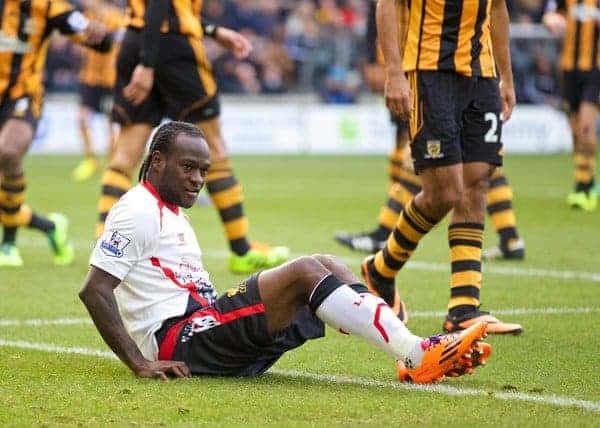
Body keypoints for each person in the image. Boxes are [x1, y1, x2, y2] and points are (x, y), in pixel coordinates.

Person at [79, 121, 492, 384]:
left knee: (325, 265)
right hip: (178, 342)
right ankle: (419, 353)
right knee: (305, 273)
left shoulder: (171, 213)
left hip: (201, 327)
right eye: (188, 167)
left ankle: (409, 352)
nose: (198, 179)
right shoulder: (136, 210)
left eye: (204, 171)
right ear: (156, 161)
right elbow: (94, 289)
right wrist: (139, 363)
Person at [362, 0, 524, 334]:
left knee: (477, 184)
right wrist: (394, 71)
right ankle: (382, 268)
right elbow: (387, 5)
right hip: (429, 74)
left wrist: (506, 76)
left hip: (481, 75)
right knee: (444, 193)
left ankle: (464, 308)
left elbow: (497, 10)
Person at [94, 0, 289, 274]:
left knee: (124, 156)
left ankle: (105, 245)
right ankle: (241, 250)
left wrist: (212, 31)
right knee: (215, 151)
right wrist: (149, 65)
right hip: (173, 48)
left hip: (134, 40)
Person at [334, 0, 525, 262]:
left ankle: (385, 236)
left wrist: (506, 77)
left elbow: (498, 9)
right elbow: (382, 10)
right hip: (418, 73)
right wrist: (388, 68)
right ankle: (508, 237)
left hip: (454, 75)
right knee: (450, 171)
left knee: (472, 171)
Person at [0, 0, 112, 267]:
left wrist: (99, 35)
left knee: (8, 151)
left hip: (22, 95)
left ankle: (9, 244)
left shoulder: (47, 6)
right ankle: (49, 226)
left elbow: (100, 41)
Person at [543, 0, 599, 212]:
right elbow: (549, 15)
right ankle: (587, 178)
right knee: (575, 128)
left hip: (595, 68)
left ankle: (583, 186)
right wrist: (551, 21)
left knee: (586, 125)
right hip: (568, 69)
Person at [71, 0, 127, 183]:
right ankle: (90, 160)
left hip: (109, 79)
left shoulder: (117, 18)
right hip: (89, 77)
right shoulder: (87, 15)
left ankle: (112, 163)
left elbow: (119, 45)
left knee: (111, 122)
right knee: (82, 118)